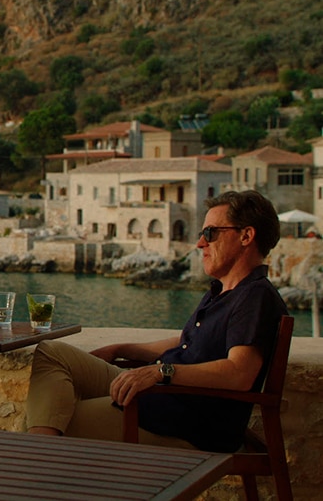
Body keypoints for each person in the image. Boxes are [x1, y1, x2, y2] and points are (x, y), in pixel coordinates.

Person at [25, 190, 288, 452]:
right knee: (51, 353)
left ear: (246, 236)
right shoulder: (222, 292)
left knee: (58, 417)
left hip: (183, 421)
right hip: (160, 399)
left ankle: (39, 461)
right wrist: (121, 349)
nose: (200, 243)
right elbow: (186, 344)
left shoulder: (255, 296)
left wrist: (162, 372)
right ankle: (43, 455)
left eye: (210, 233)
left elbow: (240, 373)